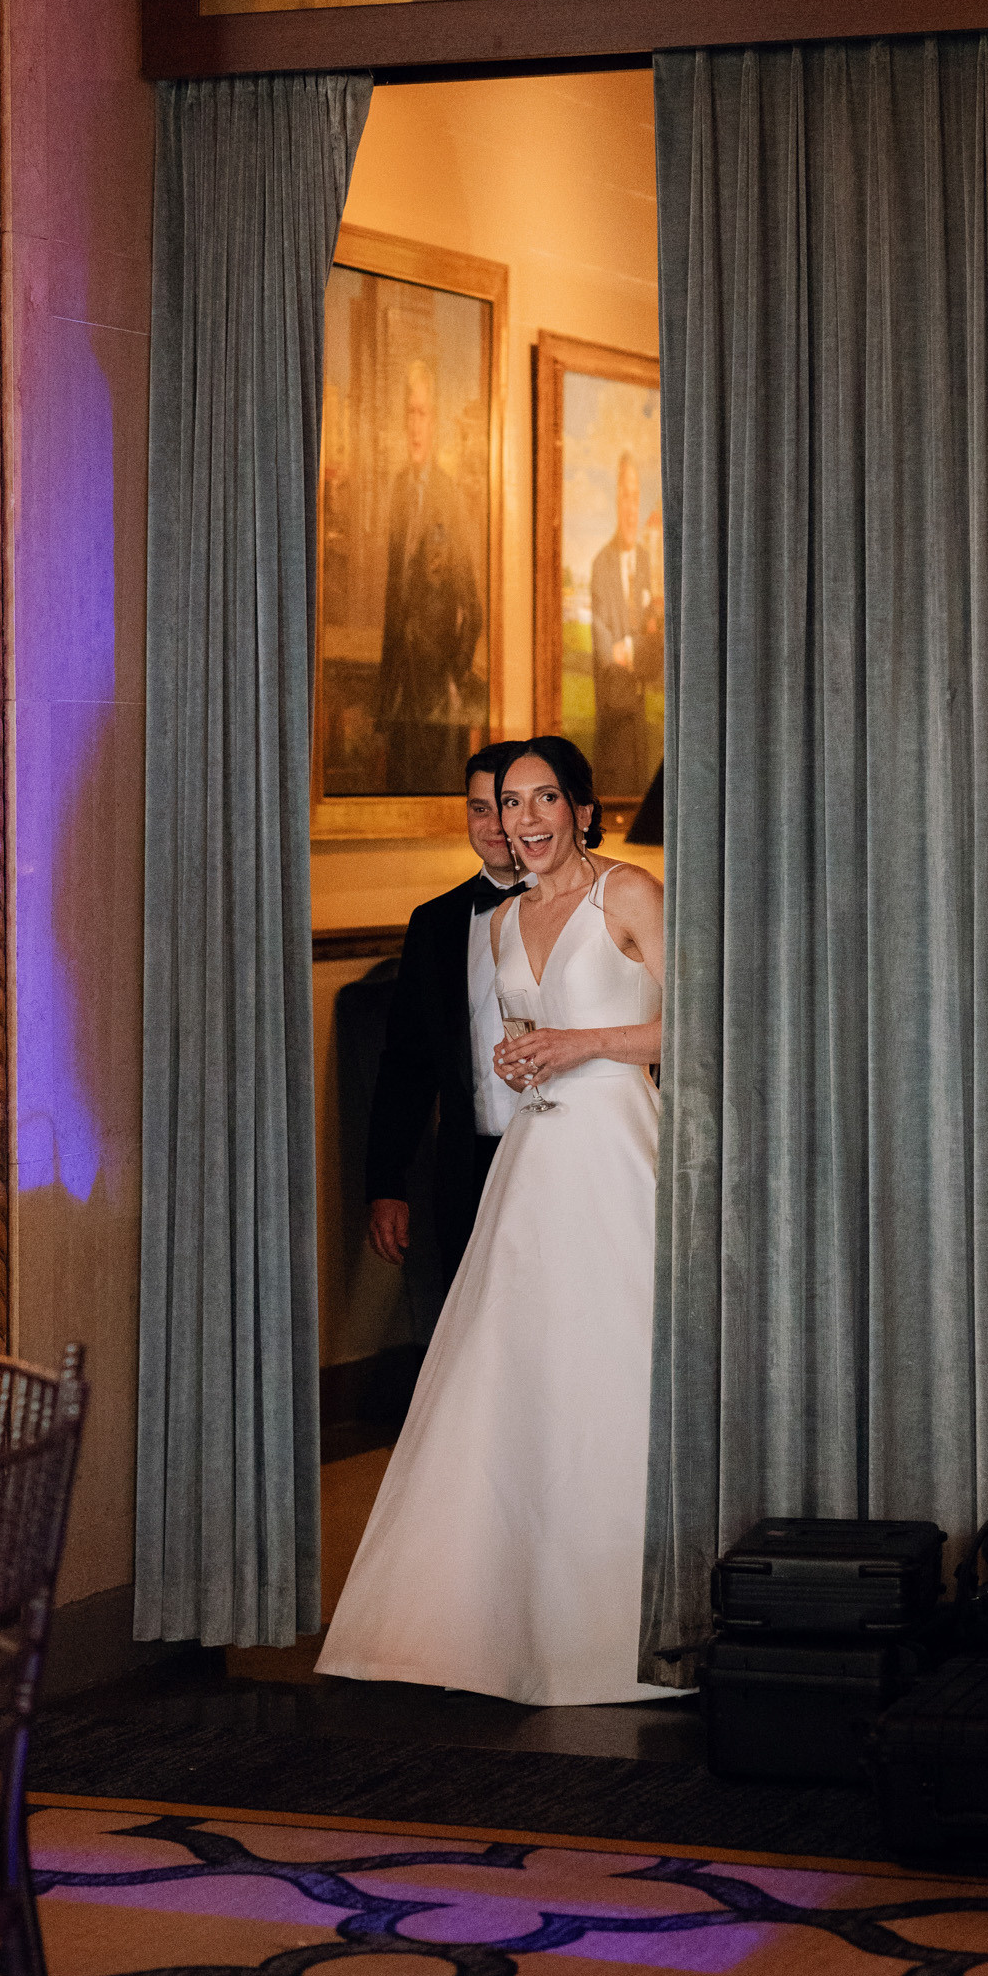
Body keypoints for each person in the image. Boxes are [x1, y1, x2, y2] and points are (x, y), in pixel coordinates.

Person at [317, 735, 670, 1705]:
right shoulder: (498, 923)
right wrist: (525, 1060)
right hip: (532, 1159)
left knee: (619, 1364)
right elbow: (487, 1047)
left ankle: (628, 1622)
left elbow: (702, 1018)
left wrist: (578, 1044)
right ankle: (495, 1623)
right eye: (508, 804)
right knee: (513, 1377)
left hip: (616, 1148)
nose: (524, 820)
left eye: (543, 799)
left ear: (581, 811)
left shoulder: (630, 895)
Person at [364, 741, 526, 1299]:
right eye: (479, 808)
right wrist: (386, 1184)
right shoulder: (434, 923)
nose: (495, 825)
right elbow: (407, 1064)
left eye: (507, 805)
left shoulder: (602, 907)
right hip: (470, 1167)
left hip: (574, 1157)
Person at [375, 359, 484, 793]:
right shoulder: (400, 489)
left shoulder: (450, 497)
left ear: (435, 422)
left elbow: (473, 610)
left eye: (423, 414)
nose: (415, 426)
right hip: (400, 697)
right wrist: (383, 706)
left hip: (437, 704)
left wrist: (453, 680)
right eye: (409, 413)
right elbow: (392, 600)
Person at [589, 449, 659, 797]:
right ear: (616, 500)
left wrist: (631, 649)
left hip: (642, 727)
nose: (631, 508)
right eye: (624, 496)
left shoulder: (649, 564)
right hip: (613, 723)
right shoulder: (601, 566)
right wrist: (636, 650)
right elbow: (605, 653)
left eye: (636, 497)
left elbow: (659, 646)